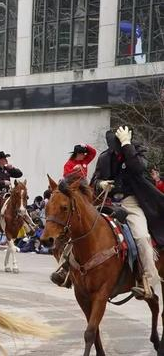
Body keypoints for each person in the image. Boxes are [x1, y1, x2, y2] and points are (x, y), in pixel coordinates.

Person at [55, 126, 164, 299]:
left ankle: (147, 282)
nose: (115, 149)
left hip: (131, 202)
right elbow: (94, 181)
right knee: (80, 226)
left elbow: (137, 169)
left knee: (142, 237)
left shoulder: (137, 152)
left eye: (118, 145)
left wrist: (127, 145)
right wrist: (101, 184)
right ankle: (65, 269)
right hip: (108, 201)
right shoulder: (105, 157)